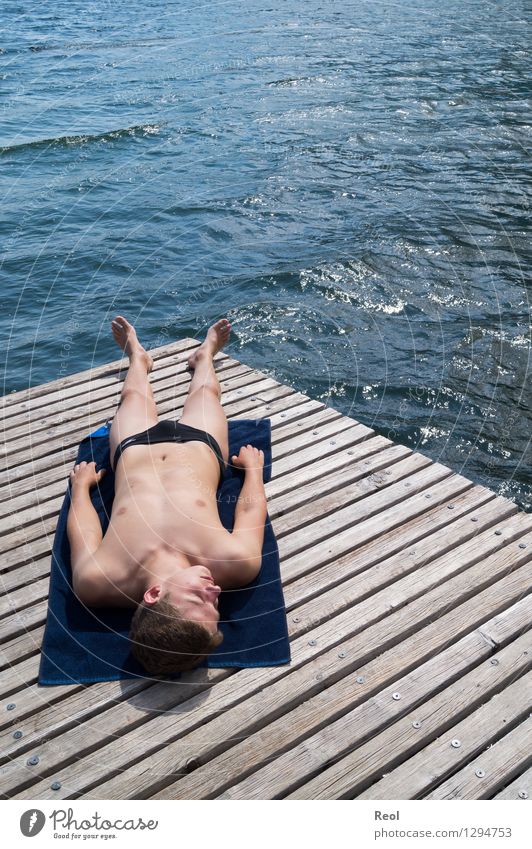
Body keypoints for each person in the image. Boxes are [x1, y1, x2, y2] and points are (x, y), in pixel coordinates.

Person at [66, 316, 267, 675]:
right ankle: (204, 355)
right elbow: (250, 513)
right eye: (217, 609)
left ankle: (137, 359)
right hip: (200, 446)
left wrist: (81, 492)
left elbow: (83, 531)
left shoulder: (98, 581)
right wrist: (252, 472)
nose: (215, 594)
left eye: (199, 600)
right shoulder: (236, 563)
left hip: (132, 449)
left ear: (153, 595)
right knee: (205, 393)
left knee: (133, 394)